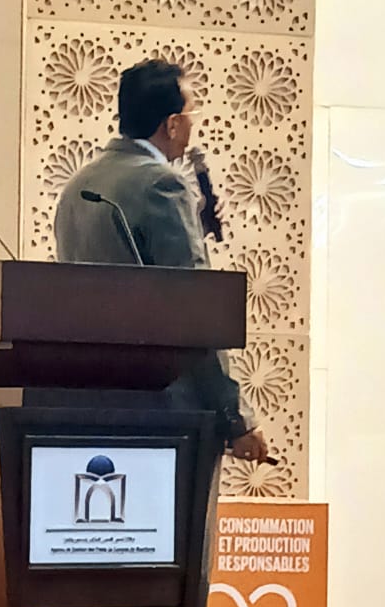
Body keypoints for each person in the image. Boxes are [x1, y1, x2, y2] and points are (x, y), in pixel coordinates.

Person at [54, 58, 269, 465]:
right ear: (171, 124)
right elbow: (193, 310)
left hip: (93, 403)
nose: (192, 127)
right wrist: (235, 417)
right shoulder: (162, 184)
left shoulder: (78, 185)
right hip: (168, 411)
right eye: (191, 115)